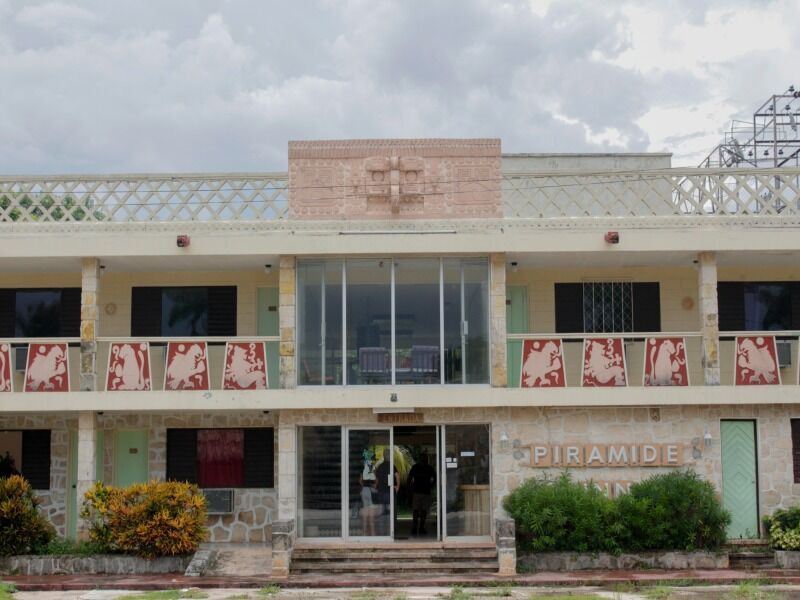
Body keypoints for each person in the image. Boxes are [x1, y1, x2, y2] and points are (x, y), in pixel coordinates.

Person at [407, 453, 436, 535]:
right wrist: (431, 486)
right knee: (422, 511)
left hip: (419, 492)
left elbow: (409, 478)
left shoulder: (416, 467)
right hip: (423, 492)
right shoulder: (428, 468)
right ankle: (419, 528)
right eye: (425, 458)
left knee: (417, 510)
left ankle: (417, 528)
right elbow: (435, 478)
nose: (425, 459)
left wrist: (410, 488)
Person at [374, 448, 399, 517]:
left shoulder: (380, 466)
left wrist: (375, 487)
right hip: (389, 491)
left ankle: (385, 526)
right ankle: (392, 526)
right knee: (391, 511)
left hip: (381, 491)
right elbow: (397, 477)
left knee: (382, 511)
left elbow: (376, 479)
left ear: (384, 456)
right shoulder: (392, 466)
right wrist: (397, 487)